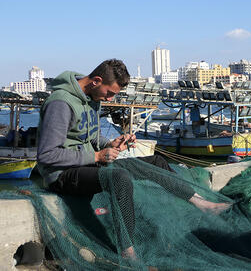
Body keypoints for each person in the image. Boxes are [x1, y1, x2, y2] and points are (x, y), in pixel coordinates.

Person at [36, 59, 229, 259]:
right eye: (109, 94)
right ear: (96, 81)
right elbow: (47, 154)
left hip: (88, 165)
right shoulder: (61, 103)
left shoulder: (93, 99)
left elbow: (92, 137)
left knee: (157, 162)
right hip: (61, 175)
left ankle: (202, 203)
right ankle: (127, 250)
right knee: (119, 177)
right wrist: (96, 155)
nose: (110, 99)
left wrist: (110, 144)